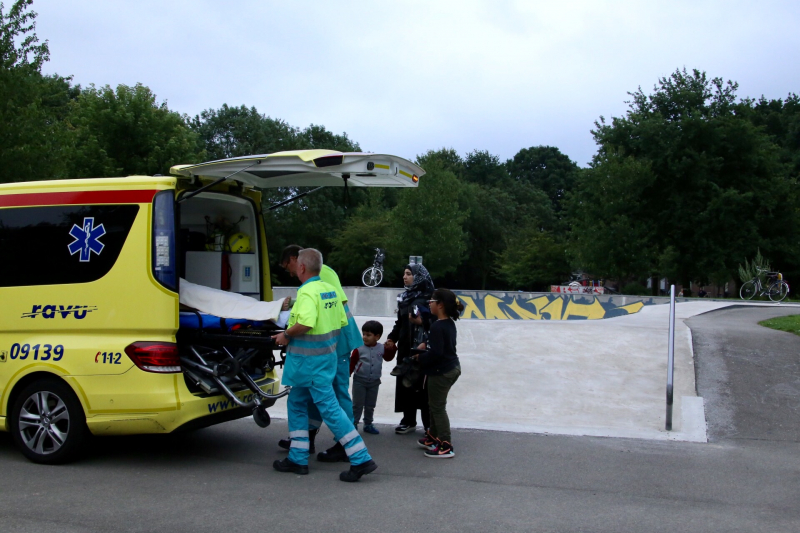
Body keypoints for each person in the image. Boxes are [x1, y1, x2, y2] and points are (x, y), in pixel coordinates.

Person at [271, 248, 377, 482]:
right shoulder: (329, 290)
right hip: (324, 359)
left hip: (307, 363)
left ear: (301, 267)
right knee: (297, 403)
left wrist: (286, 335)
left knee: (329, 408)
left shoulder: (307, 292)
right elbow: (340, 322)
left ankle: (360, 458)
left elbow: (306, 323)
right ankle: (297, 458)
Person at [413, 288, 463, 459]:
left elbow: (437, 354)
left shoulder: (437, 326)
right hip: (452, 368)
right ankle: (433, 436)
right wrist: (426, 347)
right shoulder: (448, 323)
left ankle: (445, 444)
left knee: (437, 407)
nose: (429, 303)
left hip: (441, 372)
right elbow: (441, 348)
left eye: (432, 301)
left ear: (440, 305)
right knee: (433, 403)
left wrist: (419, 357)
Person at [385, 264, 434, 435]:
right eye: (404, 274)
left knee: (423, 386)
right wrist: (392, 338)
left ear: (419, 277)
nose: (404, 277)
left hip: (423, 349)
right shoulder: (405, 298)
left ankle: (428, 425)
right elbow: (400, 323)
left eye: (408, 274)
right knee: (406, 383)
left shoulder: (430, 299)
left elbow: (435, 325)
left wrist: (426, 341)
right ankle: (408, 420)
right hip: (406, 348)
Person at [350, 320, 396, 434]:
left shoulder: (381, 348)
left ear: (377, 336)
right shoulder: (358, 348)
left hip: (374, 382)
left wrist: (392, 348)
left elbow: (388, 358)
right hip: (359, 381)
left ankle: (368, 424)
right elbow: (352, 363)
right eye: (364, 334)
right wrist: (347, 374)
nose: (365, 337)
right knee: (357, 404)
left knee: (370, 405)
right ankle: (354, 423)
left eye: (368, 335)